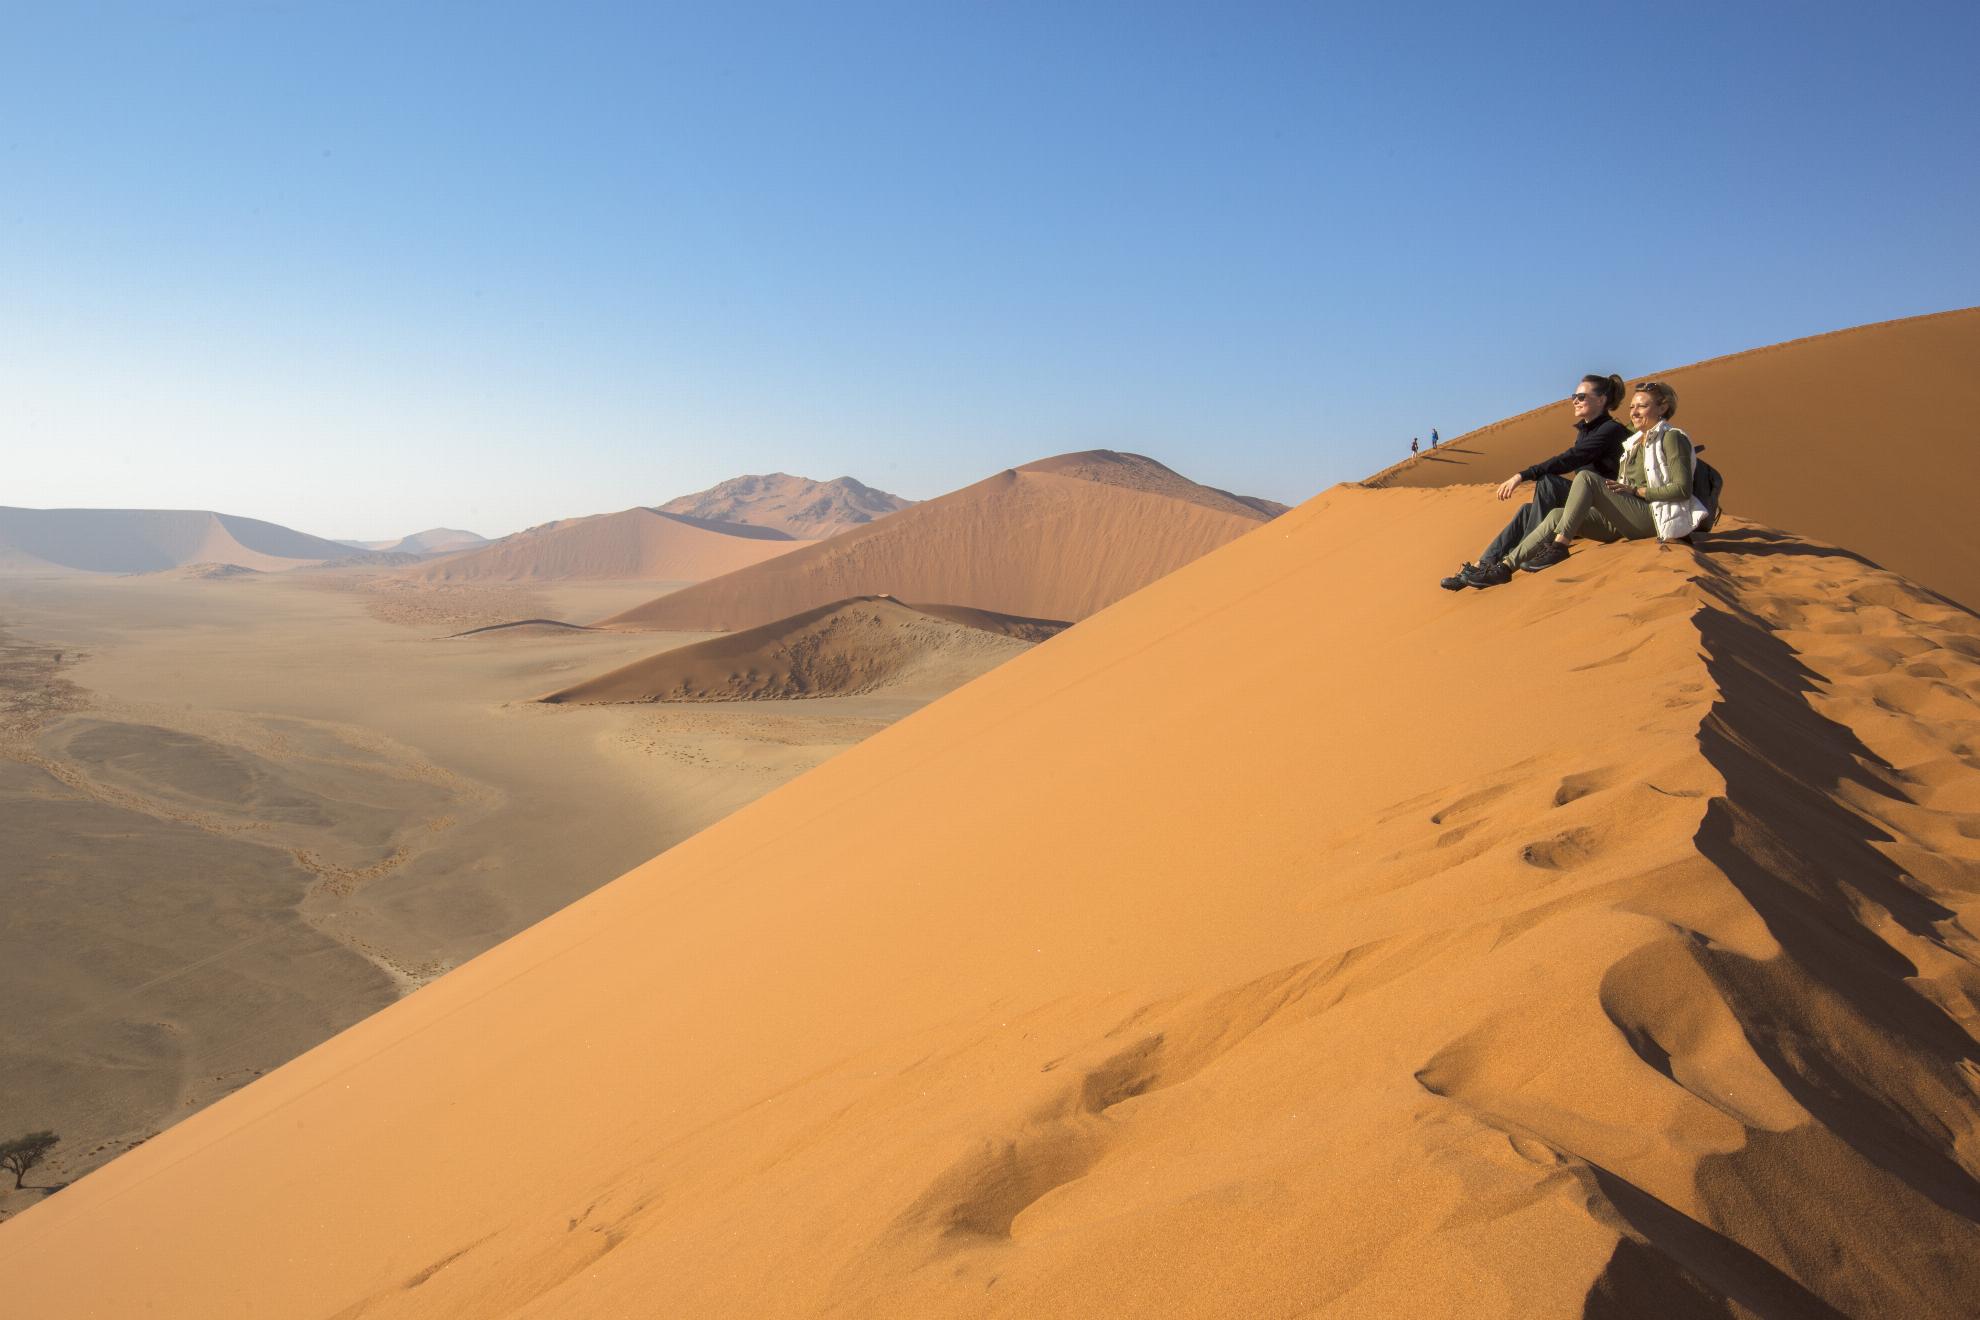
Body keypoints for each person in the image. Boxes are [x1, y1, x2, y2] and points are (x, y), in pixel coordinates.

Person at [1468, 380, 1705, 585]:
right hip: (1626, 516)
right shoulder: (1634, 442)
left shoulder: (1672, 437)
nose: (1634, 412)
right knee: (1556, 515)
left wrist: (1635, 490)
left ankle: (1560, 546)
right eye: (1632, 406)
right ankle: (1505, 567)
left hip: (1653, 517)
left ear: (1662, 407)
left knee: (1585, 478)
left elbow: (1682, 489)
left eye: (1642, 406)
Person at [1439, 373, 1630, 590]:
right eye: (1574, 396)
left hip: (1604, 508)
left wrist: (1523, 475)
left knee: (1548, 482)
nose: (1574, 400)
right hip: (1584, 502)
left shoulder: (1610, 430)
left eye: (1581, 396)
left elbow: (1572, 458)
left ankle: (1513, 560)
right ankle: (1482, 565)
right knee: (1526, 512)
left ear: (1601, 400)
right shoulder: (1587, 431)